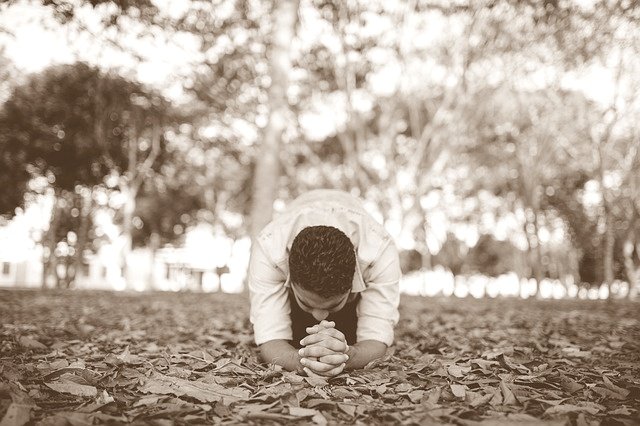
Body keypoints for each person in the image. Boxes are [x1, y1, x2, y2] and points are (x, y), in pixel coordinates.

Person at [248, 189, 401, 377]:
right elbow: (270, 338)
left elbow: (377, 337)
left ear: (352, 284)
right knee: (298, 334)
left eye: (335, 303)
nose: (320, 316)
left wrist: (347, 356)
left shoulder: (379, 250)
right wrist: (300, 360)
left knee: (347, 330)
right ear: (290, 278)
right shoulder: (269, 248)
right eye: (306, 302)